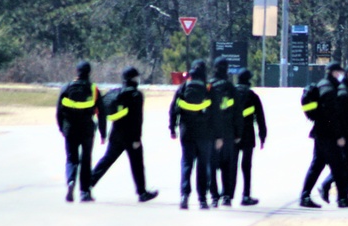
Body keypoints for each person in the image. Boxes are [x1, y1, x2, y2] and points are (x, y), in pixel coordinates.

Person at [90, 66, 158, 203]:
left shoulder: (117, 92)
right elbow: (138, 119)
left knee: (107, 160)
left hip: (116, 133)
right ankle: (142, 192)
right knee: (137, 164)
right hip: (131, 134)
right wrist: (137, 138)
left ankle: (87, 183)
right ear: (133, 78)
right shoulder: (136, 95)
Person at [300, 61, 348, 209]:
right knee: (338, 166)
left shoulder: (322, 85)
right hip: (328, 134)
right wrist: (339, 136)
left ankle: (305, 196)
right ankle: (342, 199)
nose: (341, 75)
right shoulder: (330, 89)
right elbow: (331, 115)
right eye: (339, 72)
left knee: (317, 165)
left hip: (320, 132)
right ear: (333, 72)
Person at [56, 60, 106, 202]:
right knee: (86, 159)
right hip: (87, 129)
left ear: (76, 72)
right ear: (89, 72)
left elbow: (59, 111)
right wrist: (103, 133)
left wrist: (62, 128)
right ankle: (85, 192)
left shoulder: (66, 88)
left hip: (70, 129)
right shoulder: (93, 89)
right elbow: (101, 113)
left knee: (72, 158)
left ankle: (71, 181)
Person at [169, 60, 214, 210]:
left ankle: (184, 196)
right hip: (204, 133)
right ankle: (202, 200)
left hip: (186, 131)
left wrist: (172, 128)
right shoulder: (208, 88)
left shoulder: (183, 87)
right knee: (202, 165)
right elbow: (215, 112)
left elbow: (173, 109)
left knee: (187, 164)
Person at [320, 62, 348, 203]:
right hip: (345, 134)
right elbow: (344, 117)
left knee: (346, 165)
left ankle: (336, 192)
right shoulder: (344, 91)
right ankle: (341, 196)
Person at [208, 57, 243, 207]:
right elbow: (238, 113)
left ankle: (214, 197)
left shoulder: (208, 86)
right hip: (228, 132)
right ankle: (227, 196)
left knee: (211, 166)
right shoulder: (231, 88)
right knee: (227, 166)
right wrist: (238, 134)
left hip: (211, 134)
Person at [234, 69, 267, 206]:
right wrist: (262, 136)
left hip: (233, 134)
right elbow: (260, 118)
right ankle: (245, 196)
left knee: (231, 166)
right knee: (246, 167)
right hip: (247, 135)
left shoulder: (231, 93)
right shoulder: (252, 95)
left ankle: (226, 195)